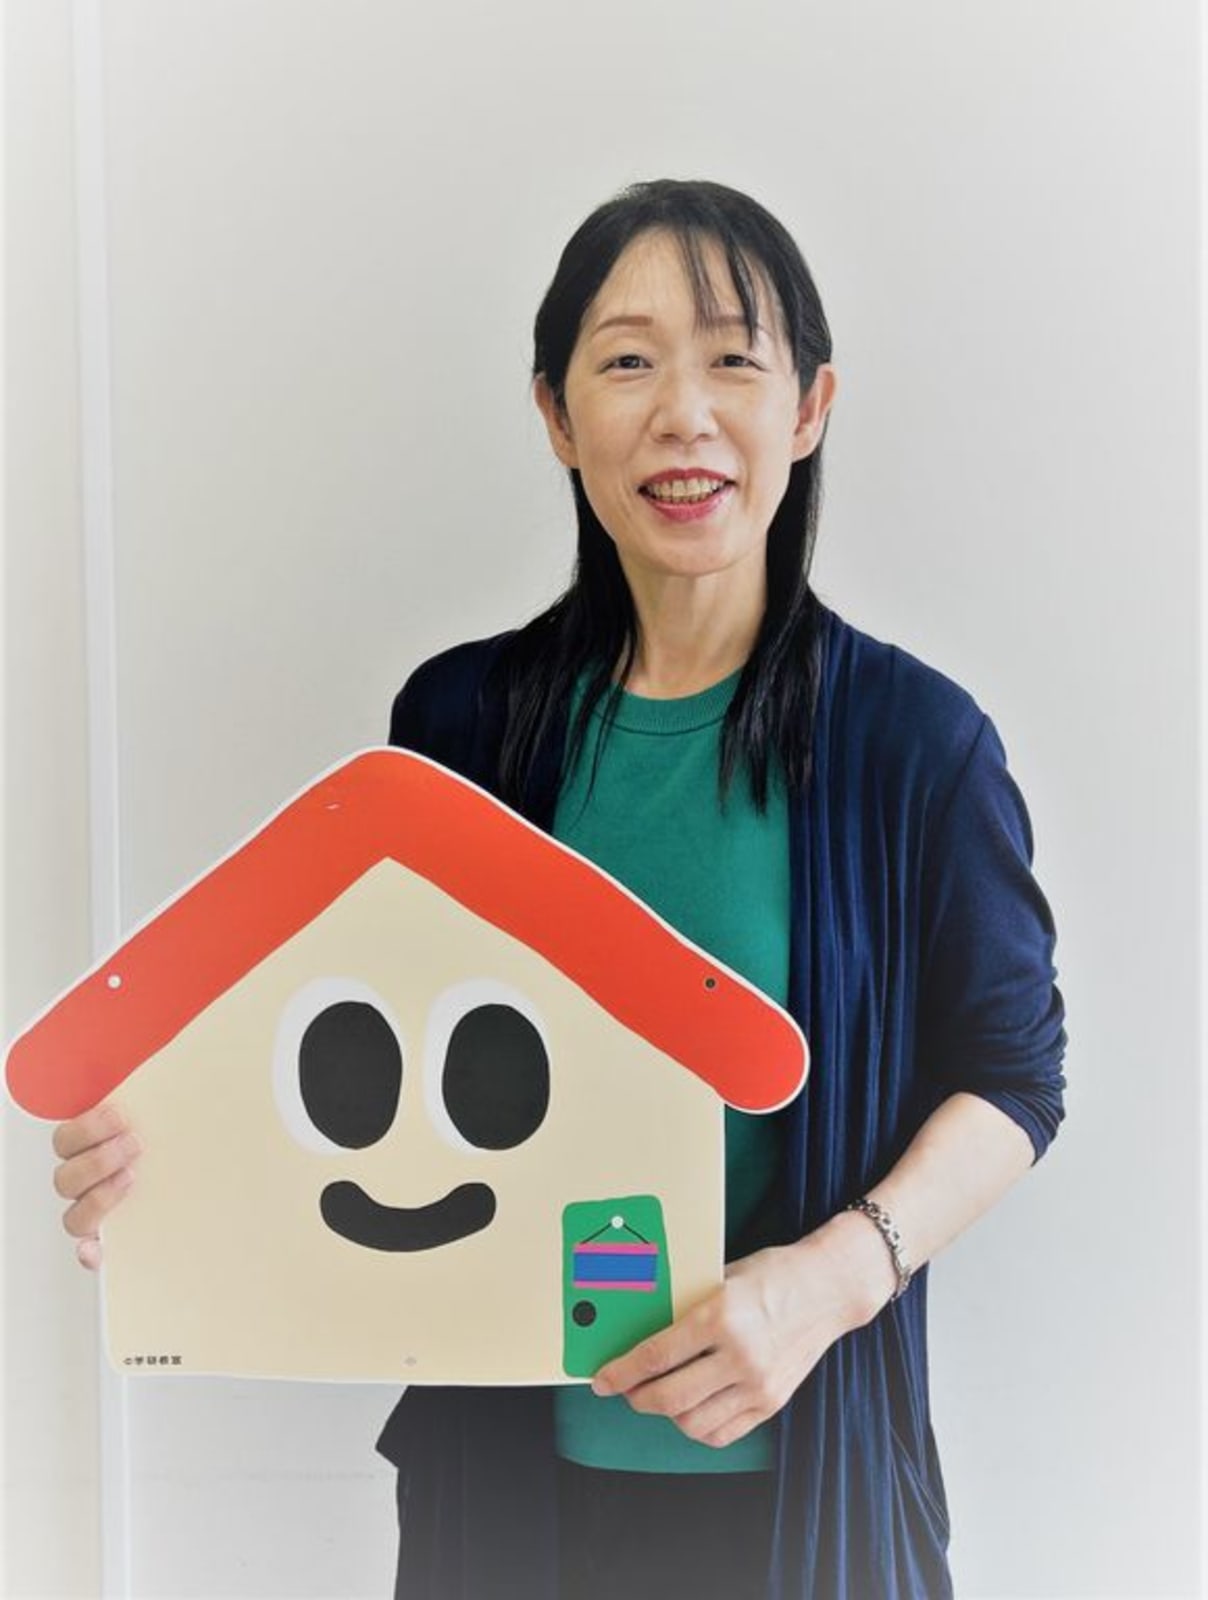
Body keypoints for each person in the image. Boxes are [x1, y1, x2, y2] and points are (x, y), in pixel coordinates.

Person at [49, 178, 1066, 1600]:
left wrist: (832, 1282)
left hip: (807, 1494)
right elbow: (368, 1057)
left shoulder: (917, 746)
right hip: (506, 1498)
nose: (684, 415)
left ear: (810, 408)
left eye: (734, 359)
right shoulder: (456, 727)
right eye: (628, 360)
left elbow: (1015, 1077)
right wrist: (169, 1178)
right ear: (555, 414)